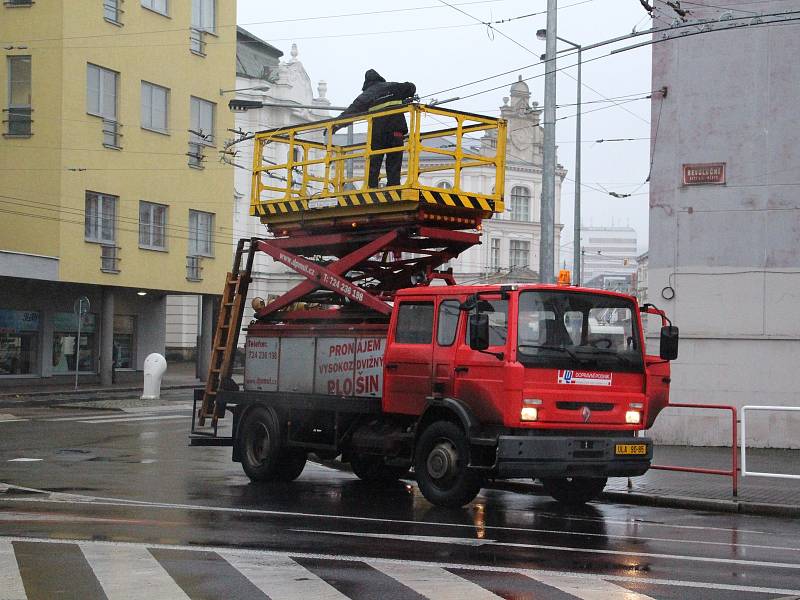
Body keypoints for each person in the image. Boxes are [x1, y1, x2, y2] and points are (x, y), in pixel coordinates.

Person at [335, 69, 416, 188]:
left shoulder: (367, 95)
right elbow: (411, 87)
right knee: (394, 161)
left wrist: (335, 125)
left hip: (377, 134)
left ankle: (372, 188)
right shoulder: (394, 86)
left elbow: (351, 112)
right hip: (396, 131)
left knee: (374, 161)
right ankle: (393, 187)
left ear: (367, 83)